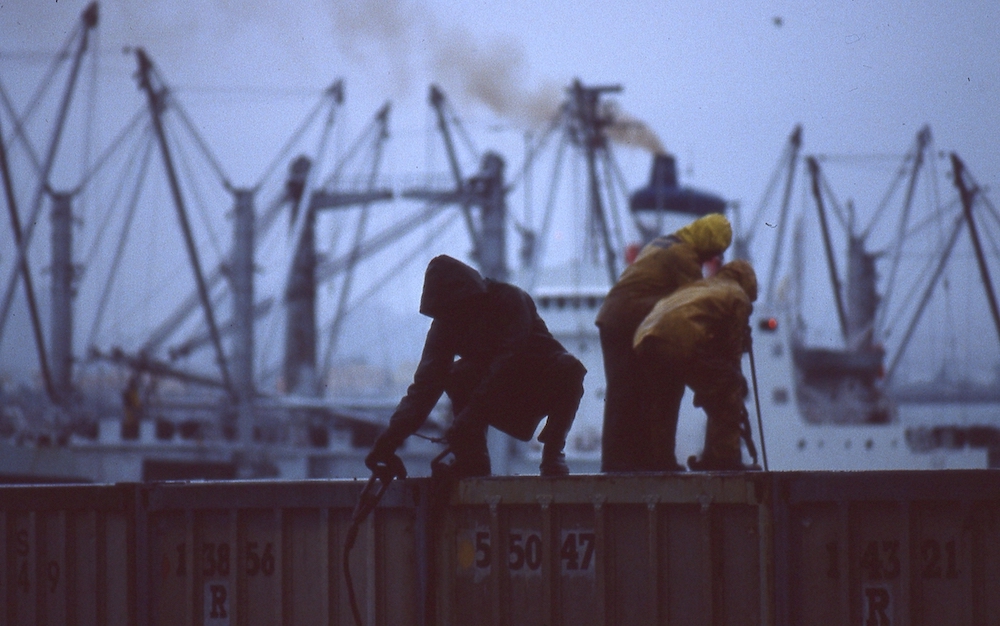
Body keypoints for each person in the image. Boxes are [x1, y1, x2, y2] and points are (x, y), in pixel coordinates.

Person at [365, 255, 587, 478]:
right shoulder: (446, 324)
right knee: (457, 375)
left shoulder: (511, 299)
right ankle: (473, 461)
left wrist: (469, 416)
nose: (450, 319)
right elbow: (425, 387)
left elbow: (507, 362)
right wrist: (388, 441)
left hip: (535, 384)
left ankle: (552, 454)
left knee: (571, 368)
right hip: (496, 398)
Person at [595, 213, 732, 472]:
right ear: (706, 242)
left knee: (622, 393)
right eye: (713, 251)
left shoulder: (661, 243)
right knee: (658, 390)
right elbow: (695, 303)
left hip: (612, 319)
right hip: (631, 323)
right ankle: (654, 461)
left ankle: (618, 463)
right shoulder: (685, 257)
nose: (711, 258)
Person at [633, 260, 760, 471]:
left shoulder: (700, 287)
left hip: (646, 340)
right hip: (680, 341)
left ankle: (658, 460)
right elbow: (732, 351)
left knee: (664, 399)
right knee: (729, 385)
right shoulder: (737, 296)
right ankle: (723, 459)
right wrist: (735, 380)